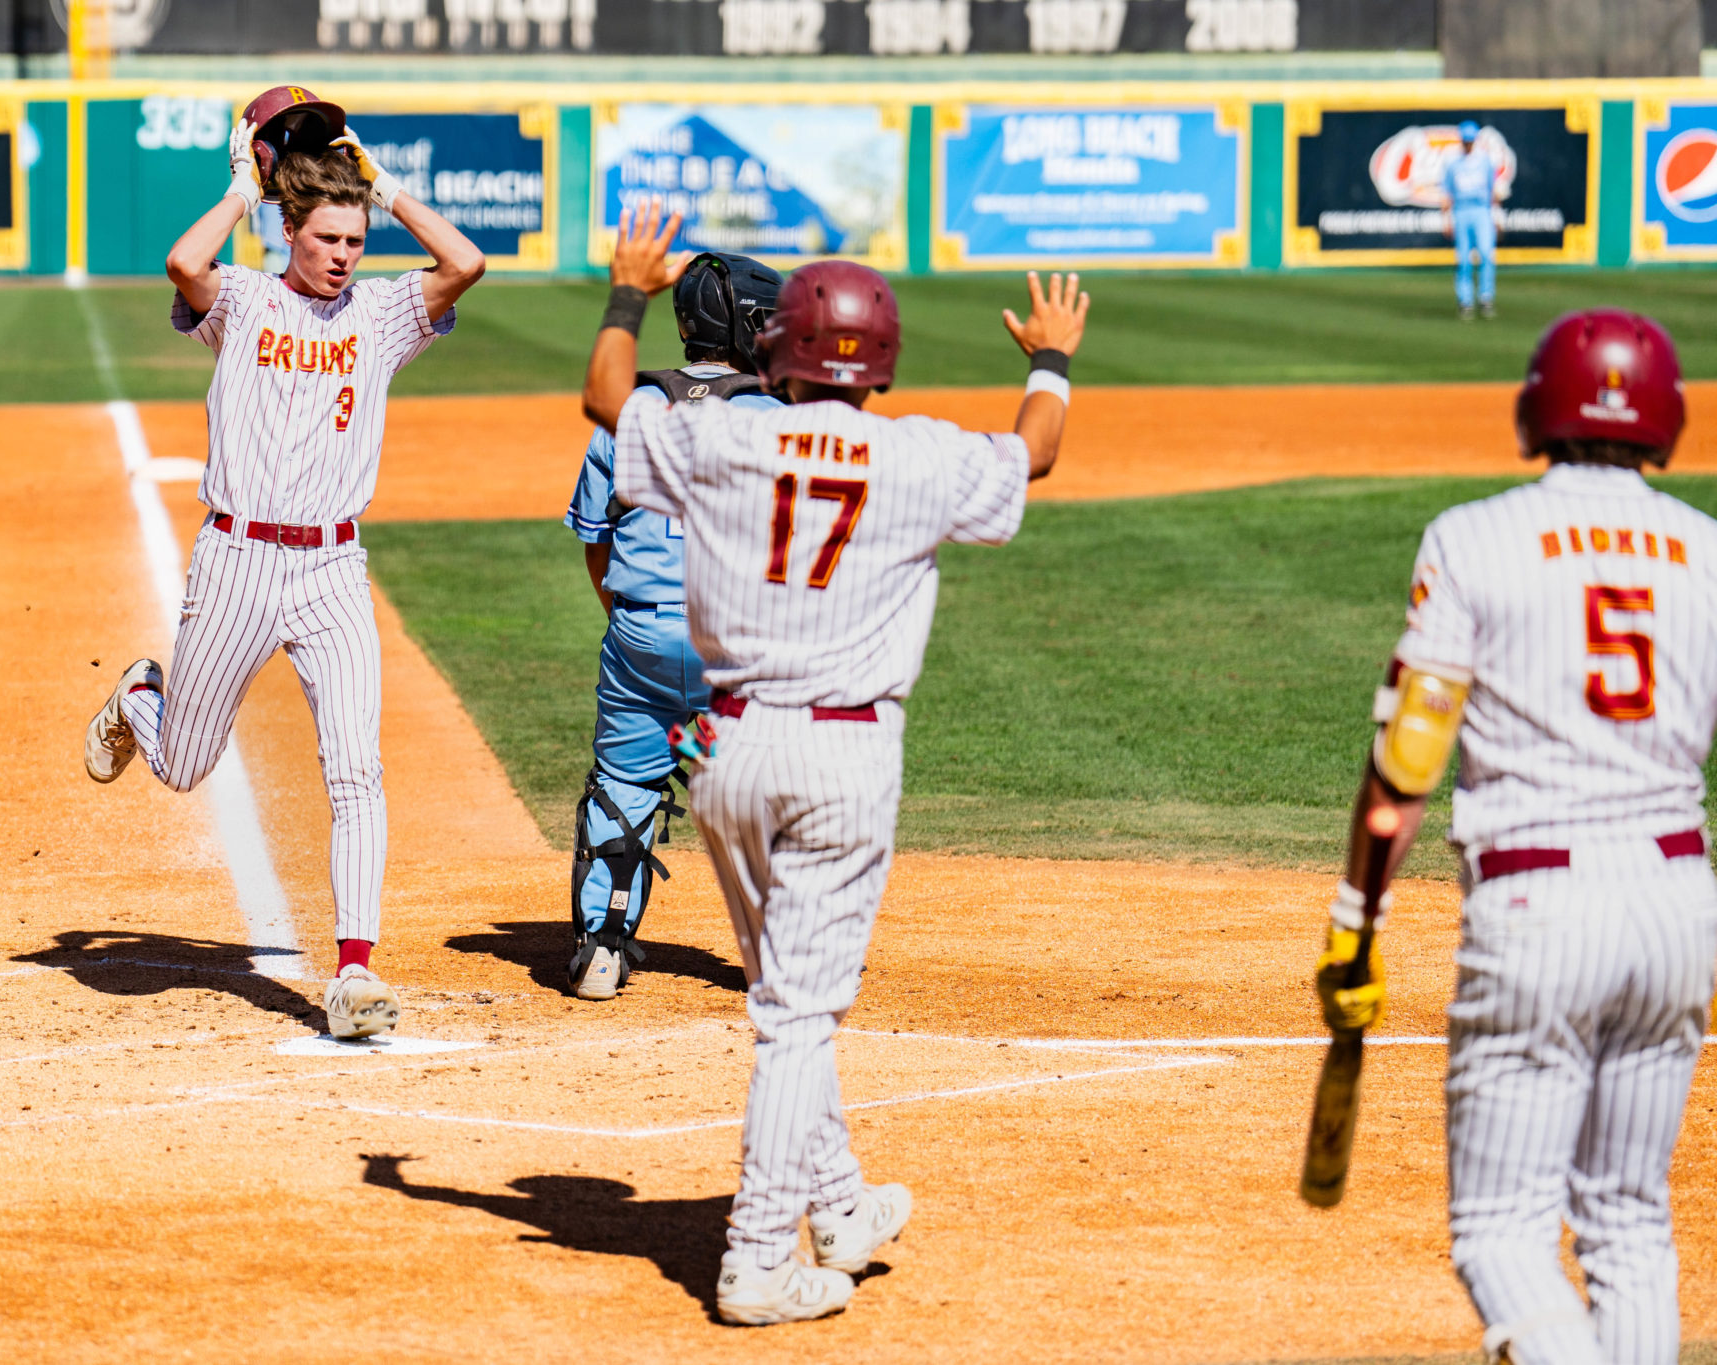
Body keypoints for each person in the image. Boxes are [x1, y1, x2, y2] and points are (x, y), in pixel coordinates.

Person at [580, 201, 1091, 1325]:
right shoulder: (921, 456)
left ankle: (842, 1204)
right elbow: (1038, 451)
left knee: (783, 993)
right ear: (883, 359)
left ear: (780, 350)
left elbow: (609, 398)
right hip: (842, 756)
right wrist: (1049, 357)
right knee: (798, 1019)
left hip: (722, 747)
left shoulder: (722, 439)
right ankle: (759, 1259)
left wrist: (628, 291)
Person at [1314, 310, 1711, 1365]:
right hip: (1679, 900)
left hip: (1538, 905)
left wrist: (1355, 919)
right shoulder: (1708, 551)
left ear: (1538, 405)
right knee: (1628, 1220)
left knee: (1500, 1231)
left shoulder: (1473, 538)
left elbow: (1407, 760)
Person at [82, 89, 486, 1040]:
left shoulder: (380, 315)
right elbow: (184, 263)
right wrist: (241, 188)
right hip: (236, 560)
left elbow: (465, 263)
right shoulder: (244, 300)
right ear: (289, 229)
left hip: (333, 571)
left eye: (356, 240)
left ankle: (354, 972)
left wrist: (383, 186)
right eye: (328, 238)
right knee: (184, 765)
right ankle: (141, 695)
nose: (344, 255)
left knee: (355, 770)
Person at [563, 250, 785, 1001]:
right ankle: (781, 955)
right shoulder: (780, 420)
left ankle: (601, 948)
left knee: (627, 779)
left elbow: (597, 542)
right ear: (745, 328)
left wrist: (635, 627)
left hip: (641, 638)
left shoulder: (630, 410)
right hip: (736, 650)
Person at [1444, 120, 1500, 320]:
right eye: (1465, 140)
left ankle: (1486, 297)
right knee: (1463, 260)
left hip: (1481, 211)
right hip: (1461, 211)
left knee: (1486, 255)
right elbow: (1447, 194)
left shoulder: (1484, 161)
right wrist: (1447, 220)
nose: (1468, 144)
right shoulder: (1453, 163)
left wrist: (1497, 217)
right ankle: (1465, 301)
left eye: (1470, 140)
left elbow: (1493, 192)